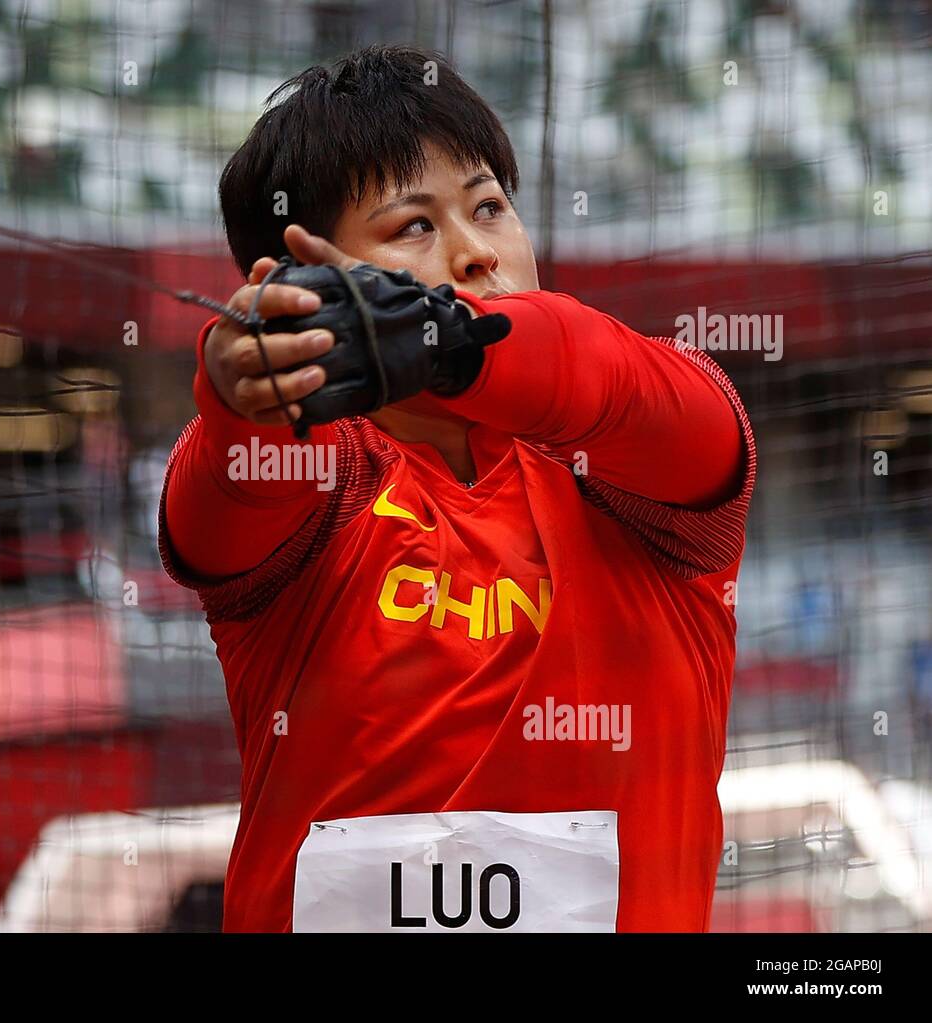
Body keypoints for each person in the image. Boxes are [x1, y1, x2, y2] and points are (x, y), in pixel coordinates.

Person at [158, 44, 756, 932]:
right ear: (309, 282)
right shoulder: (322, 479)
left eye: (489, 206)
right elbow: (222, 500)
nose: (477, 250)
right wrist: (242, 387)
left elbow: (621, 386)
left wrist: (443, 341)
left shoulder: (630, 461)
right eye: (414, 226)